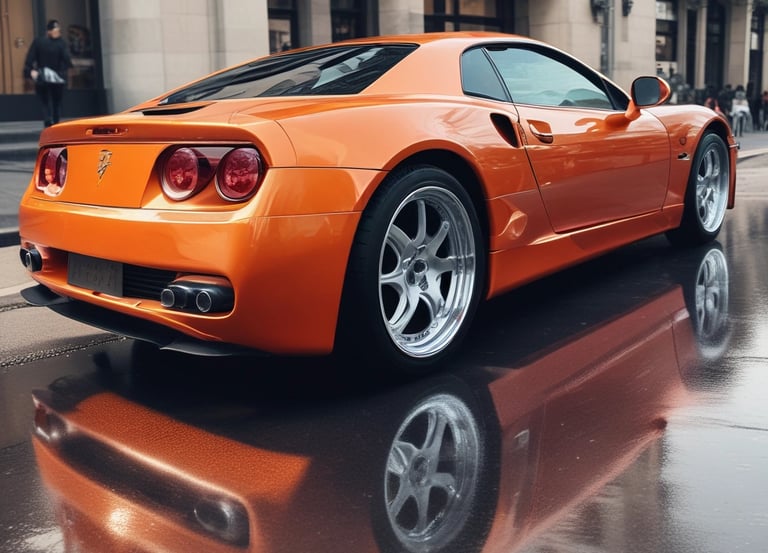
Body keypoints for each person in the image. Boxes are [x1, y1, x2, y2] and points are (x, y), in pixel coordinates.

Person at [23, 20, 72, 127]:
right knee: (54, 101)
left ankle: (50, 121)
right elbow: (67, 60)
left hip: (46, 76)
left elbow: (30, 58)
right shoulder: (60, 43)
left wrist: (30, 71)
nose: (57, 32)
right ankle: (53, 121)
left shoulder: (40, 42)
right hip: (54, 77)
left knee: (48, 101)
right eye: (56, 30)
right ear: (50, 31)